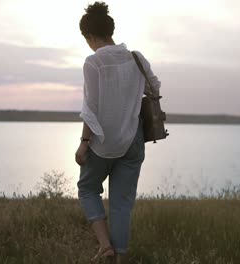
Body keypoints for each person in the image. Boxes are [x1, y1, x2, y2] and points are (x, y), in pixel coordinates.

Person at [75, 1, 161, 263]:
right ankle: (121, 258)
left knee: (88, 189)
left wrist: (84, 143)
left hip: (103, 142)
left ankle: (105, 246)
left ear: (90, 36)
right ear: (110, 30)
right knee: (122, 203)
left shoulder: (93, 62)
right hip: (133, 139)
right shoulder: (136, 57)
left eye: (87, 39)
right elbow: (154, 89)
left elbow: (92, 108)